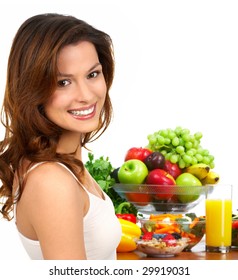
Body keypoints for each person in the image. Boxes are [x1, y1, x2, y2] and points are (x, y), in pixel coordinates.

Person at [0, 13, 122, 260]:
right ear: (33, 89)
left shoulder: (65, 161)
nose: (86, 96)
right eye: (64, 82)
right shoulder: (52, 181)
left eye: (92, 74)